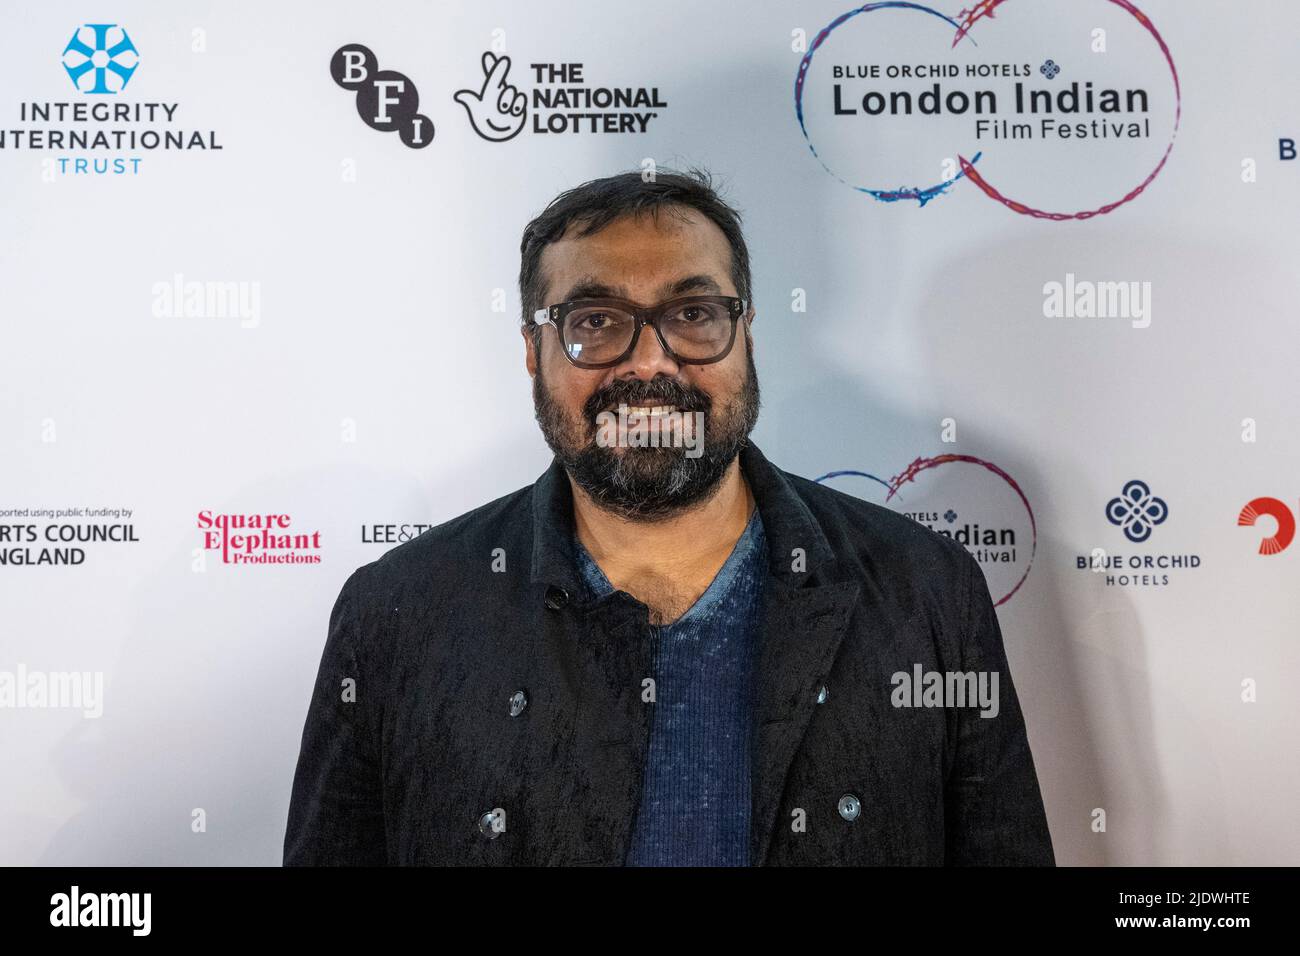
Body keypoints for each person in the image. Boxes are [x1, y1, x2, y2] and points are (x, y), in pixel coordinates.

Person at [284, 167, 1054, 866]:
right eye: (595, 320)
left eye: (691, 313)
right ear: (532, 350)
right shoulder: (396, 614)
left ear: (745, 333)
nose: (649, 363)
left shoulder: (924, 591)